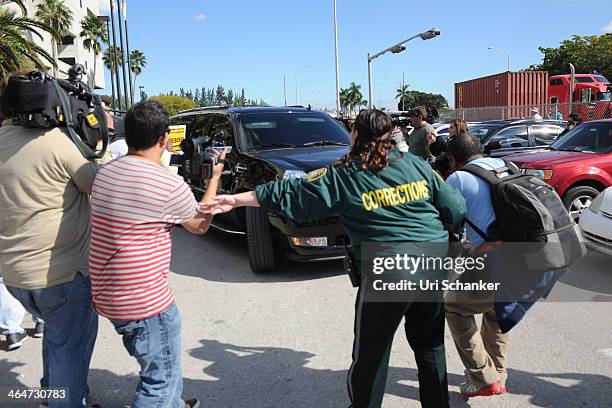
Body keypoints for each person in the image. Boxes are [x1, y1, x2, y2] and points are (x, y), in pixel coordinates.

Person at [202, 109, 467, 408]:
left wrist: (236, 199)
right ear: (390, 135)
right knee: (430, 345)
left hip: (389, 271)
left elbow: (294, 193)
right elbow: (456, 209)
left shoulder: (344, 173)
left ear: (355, 136)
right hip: (431, 264)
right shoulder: (417, 165)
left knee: (372, 355)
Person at [89, 100, 224, 408]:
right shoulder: (167, 183)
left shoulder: (105, 173)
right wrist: (215, 178)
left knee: (162, 368)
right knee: (160, 379)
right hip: (145, 304)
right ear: (164, 139)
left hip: (109, 295)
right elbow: (199, 225)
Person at [0, 72, 99, 407]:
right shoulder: (59, 144)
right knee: (70, 346)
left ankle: (51, 392)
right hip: (61, 276)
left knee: (55, 336)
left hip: (15, 276)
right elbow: (96, 184)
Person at [444, 132, 512, 398]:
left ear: (452, 159)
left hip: (489, 259)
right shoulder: (506, 166)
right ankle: (497, 374)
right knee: (498, 310)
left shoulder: (459, 178)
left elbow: (445, 218)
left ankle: (484, 378)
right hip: (525, 259)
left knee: (454, 306)